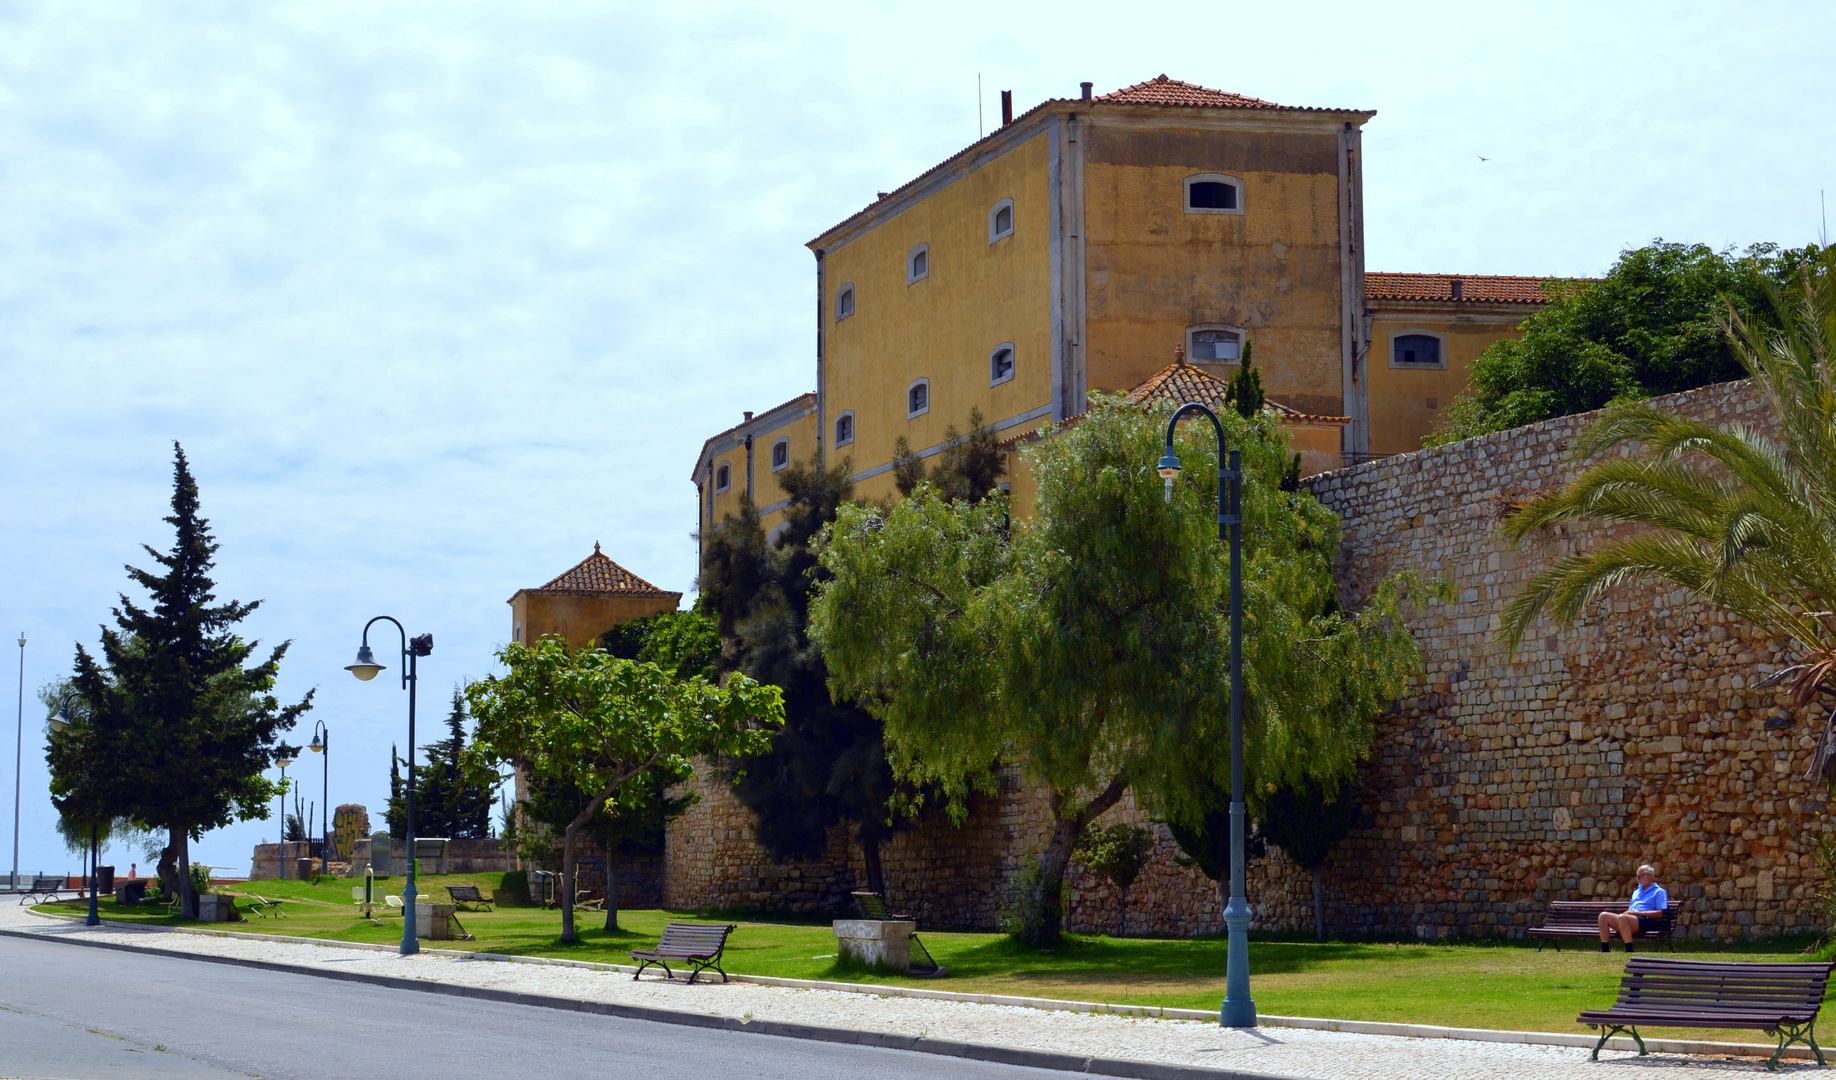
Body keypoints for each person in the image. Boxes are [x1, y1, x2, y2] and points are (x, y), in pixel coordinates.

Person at [1598, 865, 1668, 951]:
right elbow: (1631, 910)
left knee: (1623, 918)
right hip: (1630, 919)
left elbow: (1660, 914)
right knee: (1603, 916)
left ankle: (1629, 949)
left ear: (1648, 876)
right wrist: (1628, 913)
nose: (1637, 879)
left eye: (1639, 876)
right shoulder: (1636, 892)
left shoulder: (1659, 892)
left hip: (1646, 920)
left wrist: (1637, 913)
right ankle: (1604, 948)